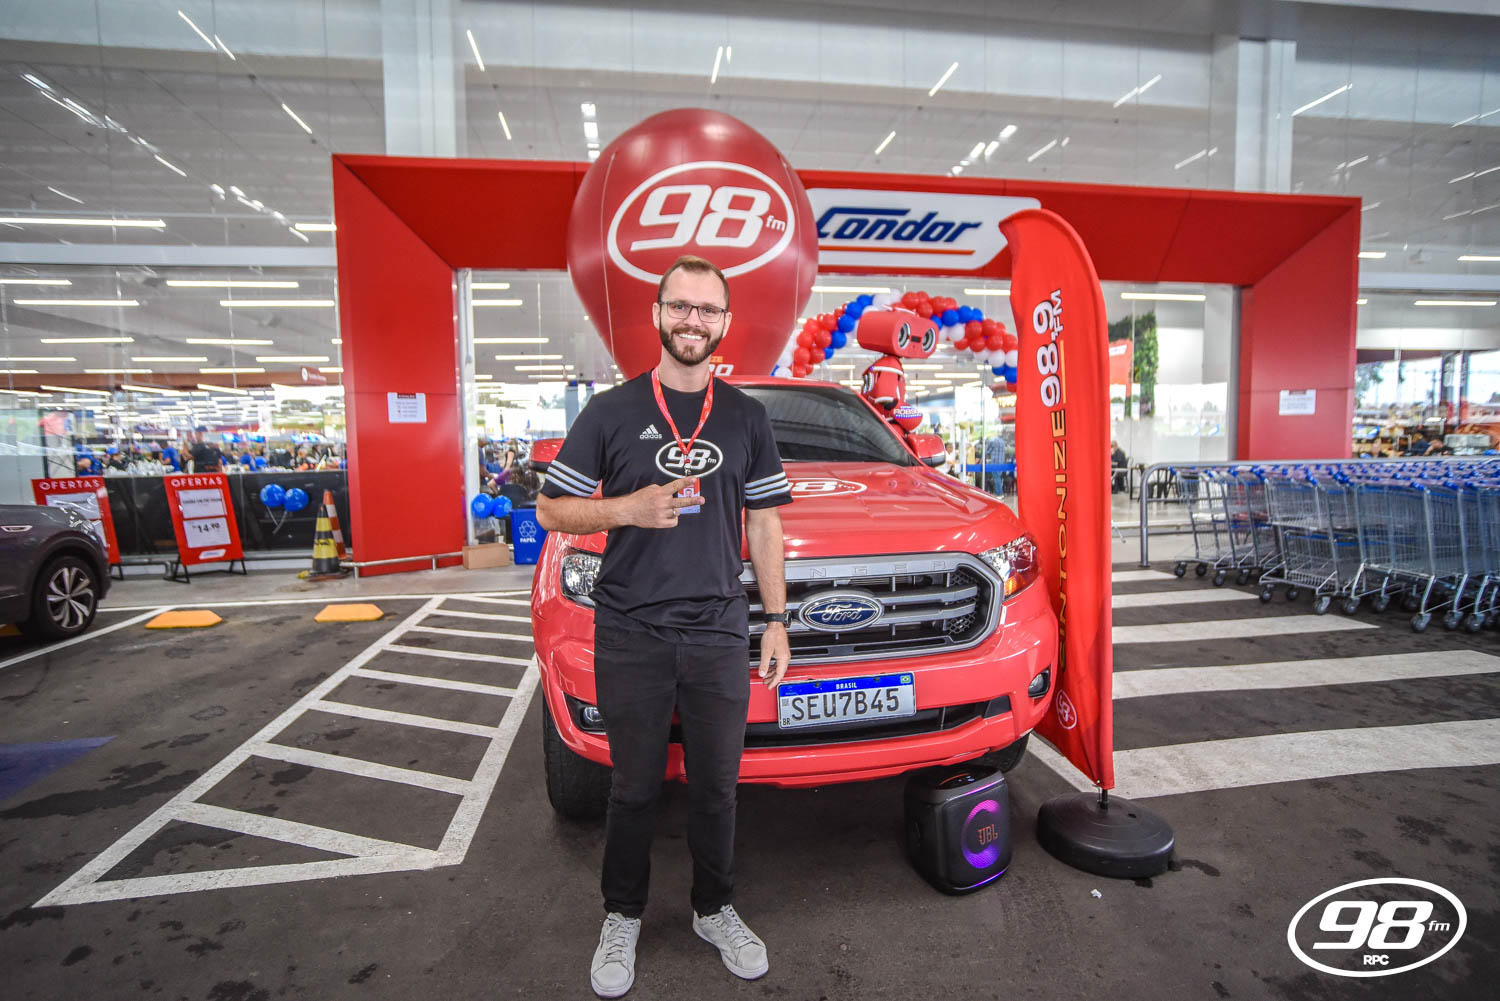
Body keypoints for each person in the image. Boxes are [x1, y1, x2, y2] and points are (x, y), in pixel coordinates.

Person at [536, 254, 792, 999]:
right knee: (634, 787)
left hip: (717, 629)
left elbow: (765, 524)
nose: (692, 320)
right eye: (680, 306)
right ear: (657, 314)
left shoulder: (745, 417)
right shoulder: (611, 411)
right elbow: (551, 509)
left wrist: (776, 619)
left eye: (707, 309)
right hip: (631, 629)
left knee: (717, 787)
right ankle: (622, 916)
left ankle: (715, 909)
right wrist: (627, 508)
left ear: (724, 322)